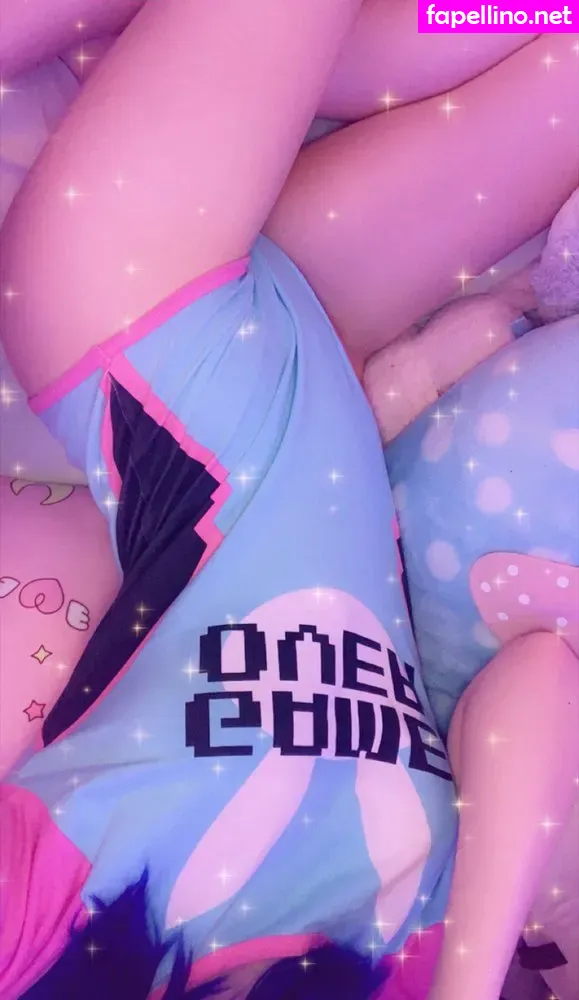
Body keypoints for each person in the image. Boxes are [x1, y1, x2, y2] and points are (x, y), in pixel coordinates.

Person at [1, 4, 578, 999]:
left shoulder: (36, 926)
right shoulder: (409, 965)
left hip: (137, 306)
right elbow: (537, 679)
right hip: (325, 336)